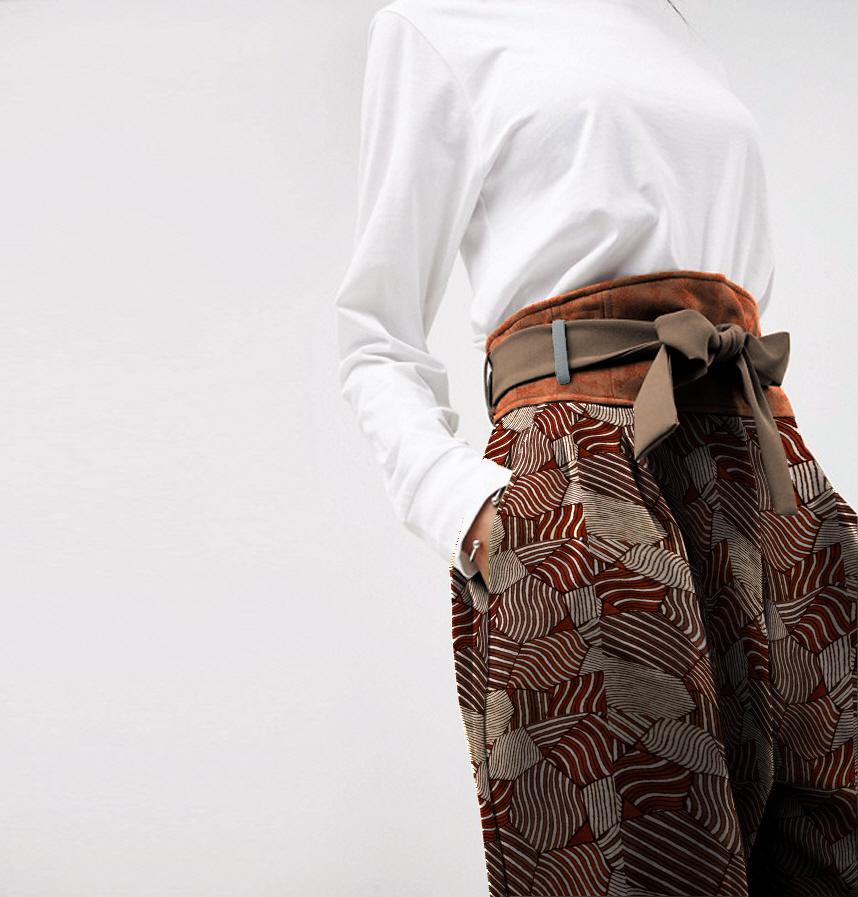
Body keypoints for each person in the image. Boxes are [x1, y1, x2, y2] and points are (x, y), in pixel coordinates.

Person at [333, 2, 858, 895]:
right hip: (584, 478)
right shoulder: (438, 23)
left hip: (766, 469)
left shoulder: (670, 24)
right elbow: (374, 336)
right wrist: (477, 514)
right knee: (639, 860)